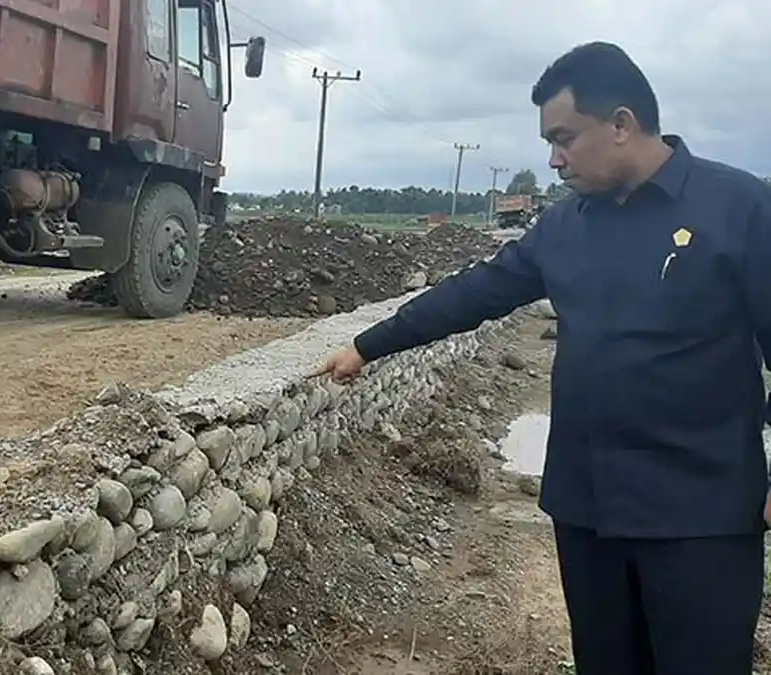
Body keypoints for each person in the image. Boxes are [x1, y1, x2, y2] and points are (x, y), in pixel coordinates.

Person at [311, 41, 771, 675]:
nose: (552, 160)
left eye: (563, 138)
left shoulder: (739, 208)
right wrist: (367, 345)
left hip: (700, 517)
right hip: (588, 512)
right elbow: (474, 293)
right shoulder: (564, 228)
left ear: (621, 124)